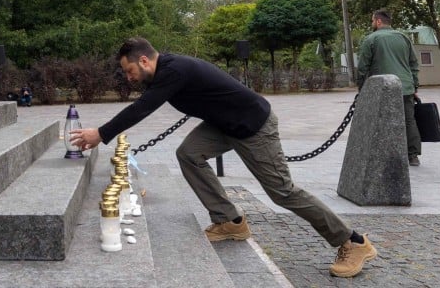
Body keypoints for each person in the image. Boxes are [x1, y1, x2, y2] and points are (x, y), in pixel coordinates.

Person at [68, 38, 377, 279]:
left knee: (282, 192)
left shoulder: (172, 70)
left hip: (253, 125)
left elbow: (142, 108)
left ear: (144, 60)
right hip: (224, 125)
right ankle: (230, 221)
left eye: (129, 70)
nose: (129, 77)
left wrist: (102, 133)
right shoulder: (167, 71)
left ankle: (352, 241)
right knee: (188, 154)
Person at [355, 9, 422, 166]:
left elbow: (363, 67)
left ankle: (385, 154)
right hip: (405, 86)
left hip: (381, 87)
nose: (372, 23)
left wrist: (361, 88)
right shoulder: (404, 38)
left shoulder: (371, 39)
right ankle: (412, 155)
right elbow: (413, 63)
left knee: (381, 121)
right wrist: (415, 86)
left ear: (378, 21)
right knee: (408, 121)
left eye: (372, 21)